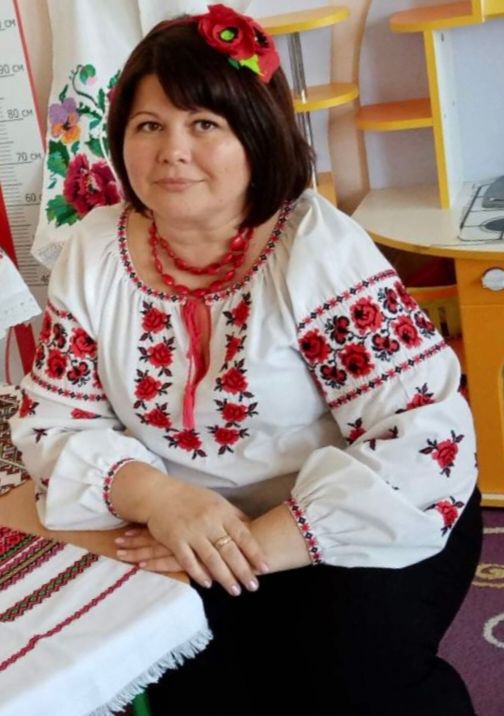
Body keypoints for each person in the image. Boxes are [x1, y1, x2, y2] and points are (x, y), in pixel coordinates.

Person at [10, 5, 482, 715]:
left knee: (356, 684)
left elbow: (421, 439)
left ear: (256, 134)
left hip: (362, 514)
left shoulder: (314, 248)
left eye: (205, 124)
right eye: (149, 125)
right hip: (182, 521)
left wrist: (246, 546)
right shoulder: (95, 250)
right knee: (175, 672)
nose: (172, 151)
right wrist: (161, 499)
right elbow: (54, 420)